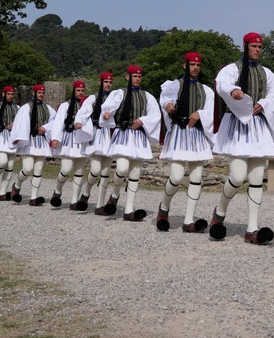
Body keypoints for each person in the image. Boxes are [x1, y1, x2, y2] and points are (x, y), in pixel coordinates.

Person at [210, 32, 274, 245]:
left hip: (258, 127)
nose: (257, 50)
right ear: (245, 46)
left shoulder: (266, 73)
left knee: (257, 178)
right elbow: (221, 83)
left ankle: (252, 228)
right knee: (237, 176)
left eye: (260, 47)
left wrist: (264, 104)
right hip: (238, 126)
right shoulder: (232, 69)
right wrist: (233, 90)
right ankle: (219, 212)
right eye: (253, 46)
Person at [156, 52, 215, 233]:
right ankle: (164, 207)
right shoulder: (175, 85)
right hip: (179, 132)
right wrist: (167, 105)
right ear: (185, 65)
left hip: (197, 135)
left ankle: (188, 221)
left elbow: (212, 111)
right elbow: (165, 98)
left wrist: (200, 114)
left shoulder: (206, 91)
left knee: (196, 178)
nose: (195, 67)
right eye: (192, 64)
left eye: (198, 65)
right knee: (176, 177)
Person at [99, 65, 161, 221]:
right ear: (128, 77)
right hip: (123, 133)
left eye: (139, 76)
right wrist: (107, 113)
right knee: (121, 168)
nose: (137, 79)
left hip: (138, 137)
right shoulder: (120, 93)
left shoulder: (147, 96)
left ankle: (128, 210)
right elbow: (109, 106)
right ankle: (115, 195)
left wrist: (143, 120)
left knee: (135, 173)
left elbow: (155, 115)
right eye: (134, 76)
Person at [73, 72, 114, 212]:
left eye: (110, 82)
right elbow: (83, 112)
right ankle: (86, 193)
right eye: (106, 82)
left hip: (109, 136)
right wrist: (79, 121)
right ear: (100, 83)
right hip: (96, 135)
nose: (108, 84)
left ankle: (100, 205)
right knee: (95, 170)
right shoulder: (93, 98)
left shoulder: (115, 98)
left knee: (106, 172)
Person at [9, 84, 57, 206]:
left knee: (38, 169)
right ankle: (16, 186)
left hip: (41, 141)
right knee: (28, 168)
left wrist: (45, 127)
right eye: (39, 92)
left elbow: (55, 120)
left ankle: (34, 197)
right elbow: (19, 123)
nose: (41, 94)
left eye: (43, 93)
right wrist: (17, 137)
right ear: (33, 93)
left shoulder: (48, 108)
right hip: (29, 141)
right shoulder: (26, 108)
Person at [48, 81, 90, 208]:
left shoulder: (87, 105)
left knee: (79, 171)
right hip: (68, 140)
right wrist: (55, 138)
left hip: (81, 140)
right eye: (78, 90)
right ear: (74, 91)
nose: (80, 93)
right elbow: (58, 122)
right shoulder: (65, 105)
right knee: (66, 169)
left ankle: (74, 201)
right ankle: (57, 191)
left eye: (82, 91)